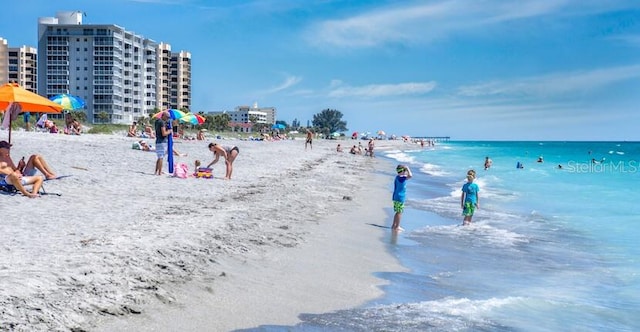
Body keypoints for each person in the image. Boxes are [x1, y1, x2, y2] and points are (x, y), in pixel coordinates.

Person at [391, 164, 413, 232]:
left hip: (396, 196)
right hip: (400, 197)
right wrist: (408, 168)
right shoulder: (401, 178)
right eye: (405, 171)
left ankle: (394, 225)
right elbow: (410, 176)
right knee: (399, 212)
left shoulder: (398, 177)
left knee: (397, 212)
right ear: (403, 171)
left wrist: (405, 169)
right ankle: (397, 226)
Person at [154, 112, 172, 176]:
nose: (168, 119)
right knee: (161, 157)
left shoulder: (157, 121)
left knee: (159, 157)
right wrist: (169, 131)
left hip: (158, 141)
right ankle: (159, 172)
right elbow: (164, 133)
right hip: (162, 142)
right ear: (163, 116)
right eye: (167, 117)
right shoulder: (162, 122)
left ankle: (156, 171)